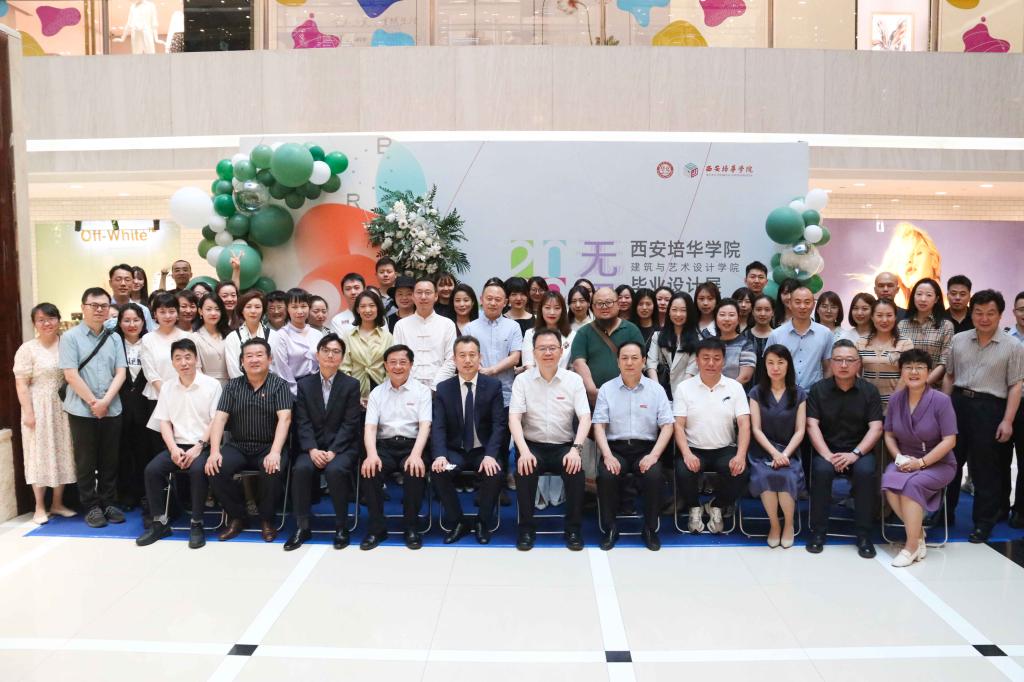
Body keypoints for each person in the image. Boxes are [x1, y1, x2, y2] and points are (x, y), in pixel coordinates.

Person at [943, 290, 1024, 542]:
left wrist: (1007, 420)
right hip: (958, 403)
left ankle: (983, 522)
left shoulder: (1012, 346)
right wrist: (943, 408)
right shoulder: (959, 339)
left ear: (1000, 315)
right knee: (950, 462)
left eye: (990, 313)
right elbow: (949, 375)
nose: (984, 318)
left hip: (990, 408)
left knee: (985, 468)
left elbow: (1016, 385)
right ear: (972, 313)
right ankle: (944, 513)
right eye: (978, 312)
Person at [135, 339, 222, 549]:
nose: (184, 363)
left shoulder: (212, 385)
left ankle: (197, 523)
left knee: (198, 470)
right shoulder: (167, 387)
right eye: (178, 358)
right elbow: (164, 422)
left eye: (188, 357)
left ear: (196, 359)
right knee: (152, 470)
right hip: (178, 445)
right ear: (172, 362)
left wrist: (199, 446)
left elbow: (216, 421)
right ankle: (159, 523)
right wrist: (173, 449)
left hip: (204, 446)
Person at [510, 329, 592, 551]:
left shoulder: (574, 380)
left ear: (561, 351)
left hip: (564, 447)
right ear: (533, 352)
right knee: (524, 470)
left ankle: (573, 529)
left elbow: (585, 417)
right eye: (542, 348)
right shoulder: (522, 381)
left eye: (552, 348)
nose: (548, 353)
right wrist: (523, 451)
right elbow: (514, 418)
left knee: (576, 472)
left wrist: (576, 449)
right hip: (532, 446)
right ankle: (526, 529)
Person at [207, 338, 293, 542]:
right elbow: (219, 419)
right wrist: (214, 451)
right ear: (242, 361)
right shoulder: (232, 386)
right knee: (215, 468)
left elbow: (285, 419)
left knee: (272, 468)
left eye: (259, 355)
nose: (254, 360)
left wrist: (275, 452)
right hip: (238, 445)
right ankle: (237, 517)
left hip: (269, 446)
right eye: (249, 356)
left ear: (270, 359)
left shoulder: (279, 385)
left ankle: (267, 519)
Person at [285, 334, 363, 551]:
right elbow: (302, 421)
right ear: (317, 355)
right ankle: (302, 526)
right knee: (301, 468)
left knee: (335, 470)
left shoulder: (351, 385)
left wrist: (334, 451)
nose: (330, 355)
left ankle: (341, 526)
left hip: (342, 448)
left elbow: (350, 423)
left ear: (342, 357)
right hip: (313, 447)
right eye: (326, 351)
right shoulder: (305, 384)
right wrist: (312, 449)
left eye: (336, 352)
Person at [806, 340, 884, 558]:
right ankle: (818, 532)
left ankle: (864, 535)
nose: (843, 365)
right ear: (831, 363)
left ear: (858, 364)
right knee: (821, 471)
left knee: (865, 472)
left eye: (849, 360)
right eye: (838, 360)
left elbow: (876, 428)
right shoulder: (818, 389)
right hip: (827, 450)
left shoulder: (870, 391)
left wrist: (855, 454)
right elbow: (811, 425)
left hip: (859, 451)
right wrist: (828, 455)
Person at [593, 341, 673, 551]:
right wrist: (607, 455)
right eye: (625, 358)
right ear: (618, 362)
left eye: (635, 358)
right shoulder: (607, 389)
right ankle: (610, 528)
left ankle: (650, 529)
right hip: (615, 449)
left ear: (644, 361)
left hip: (646, 449)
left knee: (654, 476)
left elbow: (667, 426)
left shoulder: (656, 390)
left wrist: (654, 456)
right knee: (607, 475)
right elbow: (599, 426)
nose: (629, 362)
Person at [882, 349, 958, 567]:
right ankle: (918, 535)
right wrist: (898, 458)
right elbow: (889, 434)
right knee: (889, 481)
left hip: (938, 463)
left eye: (920, 367)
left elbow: (949, 441)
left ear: (929, 372)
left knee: (911, 485)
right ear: (901, 371)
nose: (913, 372)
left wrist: (921, 463)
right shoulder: (896, 399)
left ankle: (911, 546)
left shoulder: (941, 401)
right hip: (906, 460)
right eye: (908, 367)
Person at [60, 287, 127, 528]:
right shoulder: (70, 337)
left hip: (112, 407)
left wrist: (105, 402)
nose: (99, 310)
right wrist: (93, 403)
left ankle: (108, 502)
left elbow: (121, 372)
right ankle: (90, 506)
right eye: (94, 305)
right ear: (83, 308)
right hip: (81, 409)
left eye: (104, 305)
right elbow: (70, 375)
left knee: (110, 459)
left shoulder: (114, 337)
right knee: (85, 461)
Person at [431, 336, 509, 544]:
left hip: (482, 450)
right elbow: (438, 426)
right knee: (438, 471)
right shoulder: (444, 388)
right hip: (454, 451)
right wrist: (440, 456)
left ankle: (483, 522)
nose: (467, 360)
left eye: (472, 355)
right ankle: (458, 521)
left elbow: (499, 425)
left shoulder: (492, 386)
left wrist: (491, 455)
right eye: (462, 355)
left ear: (480, 357)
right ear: (454, 359)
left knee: (495, 472)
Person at [672, 338, 750, 534]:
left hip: (725, 448)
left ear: (724, 360)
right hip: (693, 448)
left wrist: (740, 455)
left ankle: (716, 505)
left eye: (716, 358)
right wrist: (687, 454)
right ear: (697, 360)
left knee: (741, 472)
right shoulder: (684, 387)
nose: (711, 363)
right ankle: (694, 508)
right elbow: (678, 425)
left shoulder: (735, 387)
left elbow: (744, 424)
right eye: (705, 358)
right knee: (683, 471)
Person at [360, 344, 433, 550]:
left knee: (414, 469)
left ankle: (411, 527)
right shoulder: (377, 393)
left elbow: (425, 425)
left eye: (403, 362)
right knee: (370, 469)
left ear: (411, 364)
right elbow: (370, 427)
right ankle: (377, 528)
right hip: (384, 445)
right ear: (385, 365)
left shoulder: (422, 391)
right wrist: (371, 454)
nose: (397, 367)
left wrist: (416, 455)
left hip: (412, 445)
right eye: (392, 362)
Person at [14, 303, 76, 525]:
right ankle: (39, 506)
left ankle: (57, 503)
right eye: (41, 320)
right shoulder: (27, 349)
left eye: (51, 318)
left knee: (63, 452)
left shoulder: (67, 344)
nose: (46, 323)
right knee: (38, 455)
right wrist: (28, 413)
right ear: (34, 324)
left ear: (58, 320)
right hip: (38, 406)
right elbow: (21, 384)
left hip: (62, 406)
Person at [748, 345, 806, 548]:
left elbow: (800, 430)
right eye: (770, 363)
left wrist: (785, 454)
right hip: (762, 452)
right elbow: (756, 429)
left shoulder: (799, 393)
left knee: (786, 476)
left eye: (780, 362)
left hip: (789, 451)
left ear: (788, 365)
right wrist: (774, 453)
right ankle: (774, 525)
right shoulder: (756, 393)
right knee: (765, 475)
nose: (775, 367)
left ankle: (788, 524)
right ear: (764, 366)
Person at [571, 287, 645, 405]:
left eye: (609, 302)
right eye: (599, 303)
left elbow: (640, 361)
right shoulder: (584, 332)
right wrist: (592, 390)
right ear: (593, 307)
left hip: (628, 395)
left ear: (618, 304)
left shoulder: (631, 330)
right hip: (593, 398)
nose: (604, 307)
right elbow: (578, 363)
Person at [113, 303, 152, 511]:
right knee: (123, 452)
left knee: (145, 450)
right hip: (119, 405)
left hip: (145, 406)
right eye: (126, 320)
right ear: (119, 323)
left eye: (136, 320)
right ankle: (126, 495)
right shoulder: (113, 343)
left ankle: (146, 494)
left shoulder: (150, 342)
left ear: (143, 322)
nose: (131, 324)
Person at [461, 281, 524, 405]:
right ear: (481, 300)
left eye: (498, 299)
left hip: (506, 392)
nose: (493, 303)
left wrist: (492, 370)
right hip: (477, 390)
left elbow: (515, 358)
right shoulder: (470, 328)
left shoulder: (513, 326)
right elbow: (466, 356)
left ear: (505, 302)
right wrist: (481, 371)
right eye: (489, 299)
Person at [393, 278, 459, 390]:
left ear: (436, 296)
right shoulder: (401, 325)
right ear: (413, 296)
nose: (423, 297)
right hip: (408, 389)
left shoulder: (447, 324)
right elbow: (397, 359)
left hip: (440, 389)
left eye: (428, 293)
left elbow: (451, 360)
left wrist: (435, 387)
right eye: (419, 292)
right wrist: (412, 387)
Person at [766, 285, 834, 390]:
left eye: (807, 302)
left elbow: (828, 367)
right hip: (784, 393)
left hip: (814, 394)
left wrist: (824, 392)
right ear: (790, 304)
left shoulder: (825, 333)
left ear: (813, 305)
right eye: (797, 302)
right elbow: (768, 366)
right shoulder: (776, 334)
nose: (802, 306)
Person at [856, 298, 914, 411]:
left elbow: (906, 376)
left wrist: (893, 403)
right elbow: (856, 374)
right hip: (867, 403)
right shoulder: (861, 342)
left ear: (895, 317)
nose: (884, 320)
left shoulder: (905, 343)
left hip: (897, 404)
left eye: (889, 315)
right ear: (872, 317)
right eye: (879, 315)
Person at [898, 278, 954, 387]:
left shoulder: (946, 326)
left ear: (936, 299)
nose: (923, 299)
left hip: (933, 388)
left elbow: (944, 362)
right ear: (913, 297)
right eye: (919, 294)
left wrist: (922, 384)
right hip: (904, 386)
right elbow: (897, 358)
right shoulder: (902, 325)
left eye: (929, 295)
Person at [340, 291, 393, 405]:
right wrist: (353, 394)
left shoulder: (387, 337)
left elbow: (390, 368)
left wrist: (383, 393)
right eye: (363, 306)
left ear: (378, 308)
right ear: (357, 310)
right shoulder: (348, 336)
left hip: (382, 392)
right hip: (354, 393)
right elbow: (344, 368)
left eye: (372, 305)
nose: (367, 310)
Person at [646, 293, 698, 400]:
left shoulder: (697, 339)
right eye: (674, 310)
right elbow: (651, 364)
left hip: (686, 395)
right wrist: (658, 390)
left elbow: (691, 371)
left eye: (683, 310)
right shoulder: (657, 336)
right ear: (669, 311)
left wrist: (680, 397)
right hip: (660, 391)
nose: (678, 314)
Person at [225, 291, 281, 380]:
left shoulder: (274, 336)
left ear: (263, 310)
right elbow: (233, 370)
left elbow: (277, 367)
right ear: (242, 310)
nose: (253, 311)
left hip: (270, 385)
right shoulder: (232, 338)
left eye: (257, 307)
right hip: (241, 386)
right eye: (248, 307)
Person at [275, 288, 321, 395]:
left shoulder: (317, 334)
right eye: (294, 307)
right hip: (292, 388)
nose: (300, 311)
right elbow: (281, 370)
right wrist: (295, 392)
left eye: (303, 306)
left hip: (317, 386)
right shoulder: (281, 335)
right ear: (287, 309)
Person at [522, 291, 575, 372]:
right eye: (547, 308)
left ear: (563, 311)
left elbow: (572, 366)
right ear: (541, 310)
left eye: (557, 308)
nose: (552, 312)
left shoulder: (572, 335)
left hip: (563, 378)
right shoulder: (530, 334)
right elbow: (528, 364)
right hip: (534, 378)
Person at [713, 298, 756, 384]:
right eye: (722, 315)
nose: (727, 319)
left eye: (731, 315)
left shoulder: (746, 344)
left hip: (735, 390)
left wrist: (725, 390)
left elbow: (745, 377)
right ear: (716, 318)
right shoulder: (710, 343)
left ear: (738, 319)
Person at [1010, 292, 1024, 529]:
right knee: (1000, 461)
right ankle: (1001, 507)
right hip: (1007, 405)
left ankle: (1020, 509)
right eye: (1021, 309)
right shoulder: (1005, 339)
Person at [193, 294, 230, 385]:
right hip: (207, 385)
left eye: (217, 309)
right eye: (209, 309)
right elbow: (196, 368)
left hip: (230, 385)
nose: (213, 313)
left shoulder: (229, 334)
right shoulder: (195, 337)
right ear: (200, 311)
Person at [107, 263, 155, 331]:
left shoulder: (143, 310)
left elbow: (149, 334)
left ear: (132, 283)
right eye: (118, 279)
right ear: (110, 283)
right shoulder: (103, 308)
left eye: (127, 280)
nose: (123, 283)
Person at [745, 294, 775, 386]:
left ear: (773, 312)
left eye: (767, 310)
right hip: (747, 389)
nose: (763, 314)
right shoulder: (744, 337)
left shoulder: (779, 336)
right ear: (752, 312)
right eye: (758, 309)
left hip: (773, 389)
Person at [329, 272, 366, 338]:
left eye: (356, 288)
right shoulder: (337, 320)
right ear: (343, 292)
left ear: (364, 290)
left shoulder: (375, 316)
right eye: (348, 289)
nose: (353, 292)